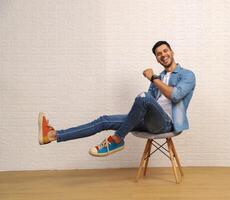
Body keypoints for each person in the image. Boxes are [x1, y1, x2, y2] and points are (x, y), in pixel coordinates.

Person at [38, 41, 196, 157]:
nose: (163, 55)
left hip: (167, 123)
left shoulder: (187, 75)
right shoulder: (160, 77)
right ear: (156, 59)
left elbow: (175, 96)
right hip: (148, 120)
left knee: (144, 96)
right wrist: (155, 80)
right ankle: (53, 136)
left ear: (172, 52)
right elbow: (148, 105)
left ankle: (117, 139)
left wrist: (153, 78)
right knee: (104, 120)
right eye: (159, 54)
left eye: (165, 51)